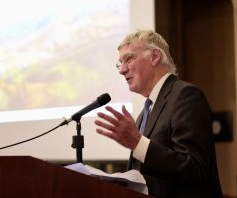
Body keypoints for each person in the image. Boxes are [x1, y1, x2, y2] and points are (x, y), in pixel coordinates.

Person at [94, 30, 223, 198]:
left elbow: (194, 169)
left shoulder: (186, 96)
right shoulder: (145, 112)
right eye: (120, 63)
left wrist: (137, 143)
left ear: (154, 56)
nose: (122, 70)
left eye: (129, 58)